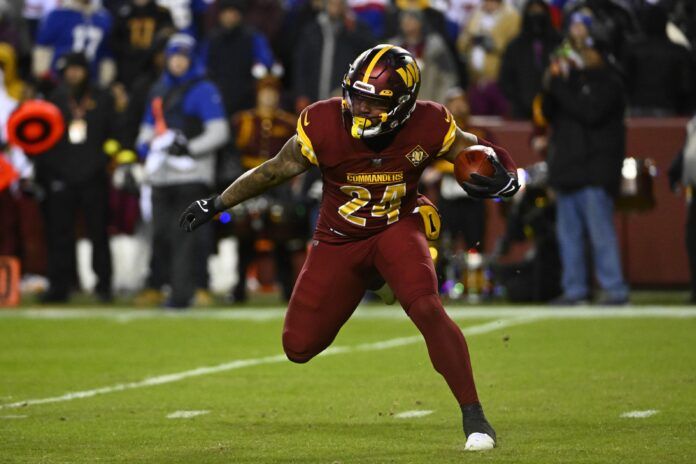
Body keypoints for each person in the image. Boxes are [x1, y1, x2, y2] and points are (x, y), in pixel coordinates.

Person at [179, 44, 519, 451]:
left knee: (427, 306)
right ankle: (376, 278)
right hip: (338, 240)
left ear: (402, 105)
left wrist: (509, 176)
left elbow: (476, 150)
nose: (359, 108)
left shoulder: (430, 122)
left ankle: (475, 418)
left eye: (372, 102)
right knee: (298, 347)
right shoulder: (323, 122)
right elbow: (274, 170)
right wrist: (217, 203)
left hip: (396, 228)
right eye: (355, 96)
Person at [135, 33, 229, 308]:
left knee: (186, 237)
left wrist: (188, 148)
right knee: (162, 234)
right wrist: (143, 146)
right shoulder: (159, 89)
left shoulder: (203, 90)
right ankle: (164, 286)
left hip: (192, 176)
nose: (178, 62)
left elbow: (219, 132)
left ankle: (183, 293)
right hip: (161, 176)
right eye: (174, 56)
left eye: (183, 57)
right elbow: (147, 129)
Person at [541, 35, 629, 305]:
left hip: (595, 170)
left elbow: (590, 113)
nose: (583, 56)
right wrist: (551, 81)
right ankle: (575, 289)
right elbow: (547, 112)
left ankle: (615, 289)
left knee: (600, 233)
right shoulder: (569, 82)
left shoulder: (611, 83)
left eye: (589, 51)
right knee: (569, 237)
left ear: (602, 54)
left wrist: (560, 87)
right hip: (569, 170)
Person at [34, 52, 116, 303]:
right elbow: (43, 139)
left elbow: (114, 132)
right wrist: (49, 172)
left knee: (98, 234)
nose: (73, 73)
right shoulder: (54, 99)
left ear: (86, 71)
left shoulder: (102, 98)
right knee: (60, 235)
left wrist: (104, 162)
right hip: (62, 177)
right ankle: (60, 286)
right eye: (69, 69)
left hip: (94, 176)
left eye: (78, 69)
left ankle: (104, 286)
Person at [228, 75, 304, 302]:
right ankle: (239, 288)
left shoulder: (289, 123)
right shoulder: (242, 120)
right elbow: (234, 153)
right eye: (264, 92)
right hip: (249, 182)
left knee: (282, 235)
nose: (269, 96)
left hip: (278, 184)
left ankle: (287, 288)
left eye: (273, 92)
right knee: (244, 236)